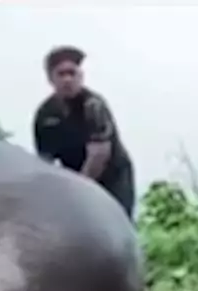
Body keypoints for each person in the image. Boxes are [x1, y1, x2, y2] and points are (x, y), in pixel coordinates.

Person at [32, 45, 136, 219]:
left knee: (116, 224)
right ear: (50, 79)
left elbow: (99, 154)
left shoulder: (93, 105)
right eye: (61, 74)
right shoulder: (45, 115)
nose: (67, 79)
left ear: (81, 76)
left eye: (72, 73)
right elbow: (45, 162)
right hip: (75, 179)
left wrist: (80, 188)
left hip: (112, 178)